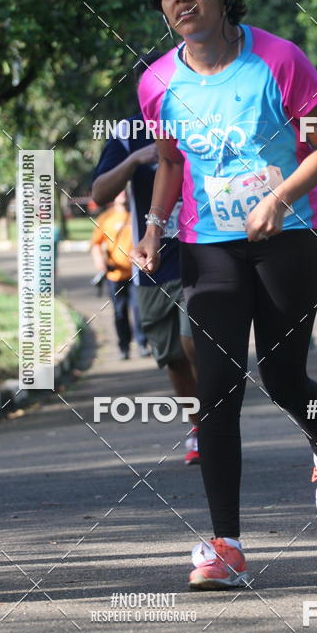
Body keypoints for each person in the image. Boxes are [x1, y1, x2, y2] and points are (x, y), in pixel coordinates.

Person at [131, 0, 317, 590]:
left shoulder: (277, 60)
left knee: (284, 376)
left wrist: (280, 198)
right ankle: (226, 543)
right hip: (210, 245)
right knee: (217, 388)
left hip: (293, 234)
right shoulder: (157, 83)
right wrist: (153, 229)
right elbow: (171, 163)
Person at [92, 54, 200, 464]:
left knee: (196, 344)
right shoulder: (127, 133)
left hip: (202, 254)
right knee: (171, 354)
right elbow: (99, 193)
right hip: (151, 264)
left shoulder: (199, 120)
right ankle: (200, 425)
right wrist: (137, 159)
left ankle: (217, 424)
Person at [90, 191, 149, 361]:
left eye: (125, 190)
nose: (122, 194)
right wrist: (99, 261)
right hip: (114, 275)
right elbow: (95, 244)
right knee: (119, 312)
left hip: (136, 273)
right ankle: (124, 347)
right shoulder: (106, 218)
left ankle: (142, 343)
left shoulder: (137, 214)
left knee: (138, 309)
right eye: (119, 190)